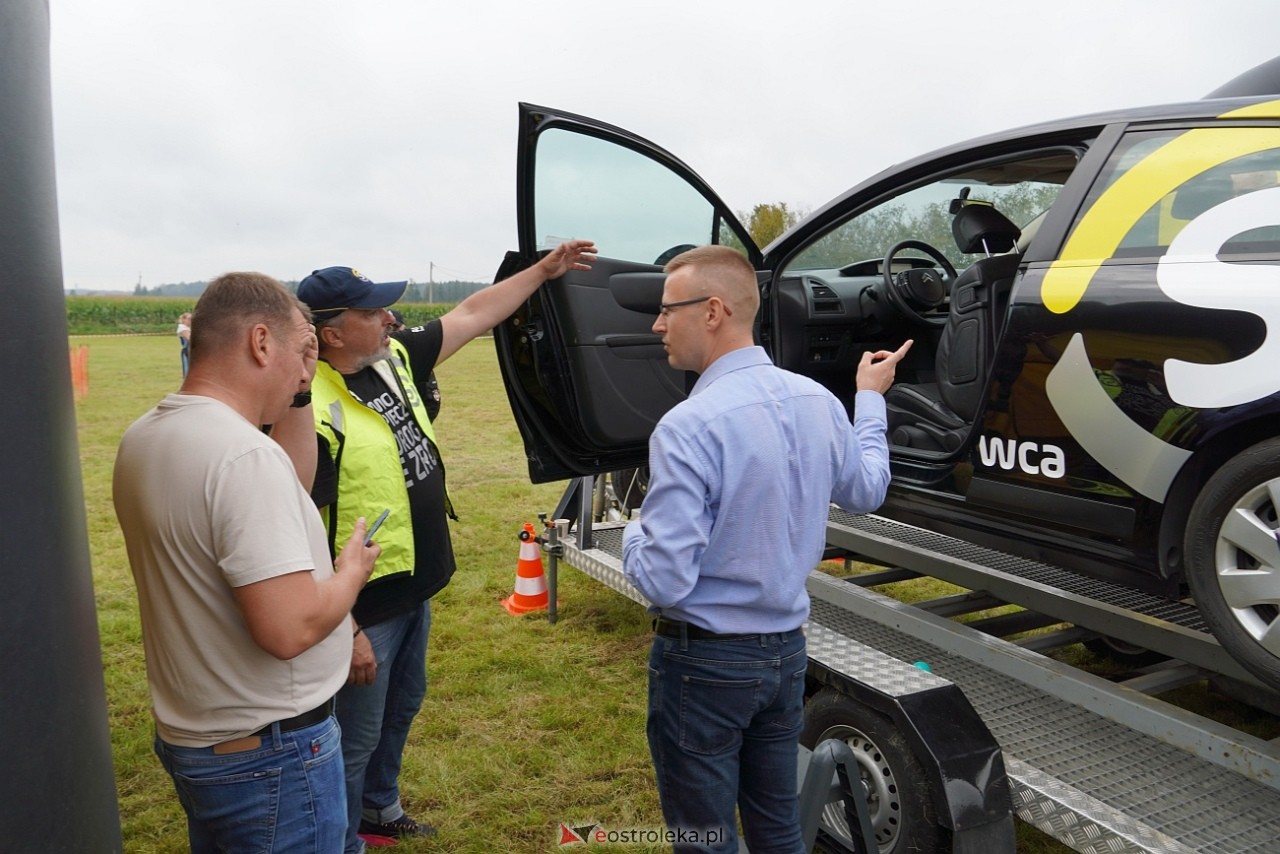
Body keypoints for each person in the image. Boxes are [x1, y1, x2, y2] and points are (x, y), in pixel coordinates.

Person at [279, 240, 596, 853]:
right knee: (354, 737)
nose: (389, 318)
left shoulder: (392, 356)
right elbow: (296, 530)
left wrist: (542, 270)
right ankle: (342, 841)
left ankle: (378, 809)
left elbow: (476, 313)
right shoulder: (307, 408)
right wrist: (345, 625)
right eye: (373, 312)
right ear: (333, 335)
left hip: (415, 581)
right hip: (364, 605)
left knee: (404, 704)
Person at [621, 246, 912, 854]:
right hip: (784, 656)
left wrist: (632, 532)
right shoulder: (817, 400)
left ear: (713, 311)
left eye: (666, 310)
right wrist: (870, 399)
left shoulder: (687, 425)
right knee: (778, 826)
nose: (656, 324)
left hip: (703, 666)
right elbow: (867, 489)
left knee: (704, 836)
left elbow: (664, 582)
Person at [112, 272, 382, 852]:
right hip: (271, 753)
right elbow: (287, 630)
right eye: (300, 354)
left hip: (203, 737)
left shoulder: (147, 435)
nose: (306, 372)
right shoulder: (242, 456)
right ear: (261, 343)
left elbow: (290, 481)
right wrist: (351, 574)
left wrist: (301, 392)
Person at [390, 308, 442, 420]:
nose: (392, 333)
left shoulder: (413, 351)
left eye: (395, 327)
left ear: (404, 327)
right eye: (388, 328)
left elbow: (431, 398)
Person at [176, 311, 192, 377]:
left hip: (191, 350)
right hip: (187, 351)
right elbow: (190, 339)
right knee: (187, 370)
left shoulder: (188, 328)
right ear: (184, 320)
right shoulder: (182, 328)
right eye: (189, 319)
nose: (191, 321)